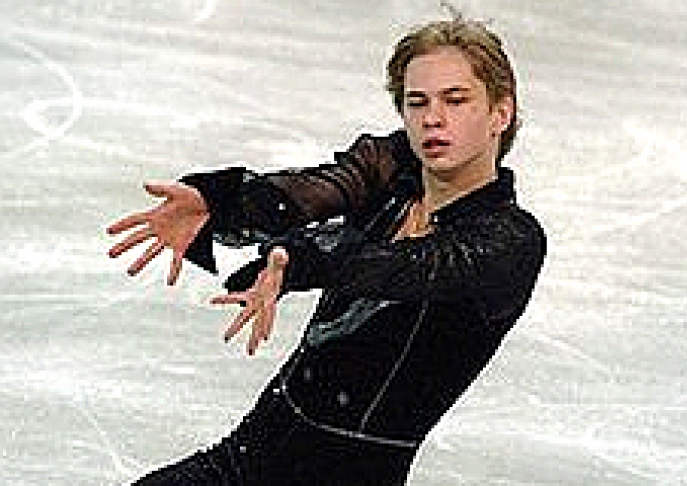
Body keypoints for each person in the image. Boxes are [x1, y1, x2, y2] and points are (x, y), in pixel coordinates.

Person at [107, 16, 547, 486]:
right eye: (416, 102)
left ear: (500, 113)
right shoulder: (391, 171)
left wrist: (299, 263)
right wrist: (218, 202)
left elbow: (399, 269)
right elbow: (312, 191)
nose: (432, 118)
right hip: (248, 456)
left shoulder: (510, 241)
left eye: (455, 100)